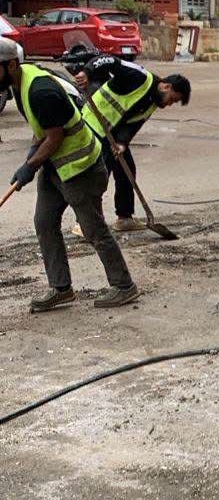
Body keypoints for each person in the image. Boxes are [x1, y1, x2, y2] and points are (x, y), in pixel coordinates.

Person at [1, 37, 138, 312]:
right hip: (55, 167)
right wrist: (32, 157)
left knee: (93, 229)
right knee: (44, 222)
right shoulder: (20, 84)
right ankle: (61, 288)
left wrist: (30, 166)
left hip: (81, 168)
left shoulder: (40, 90)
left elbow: (55, 137)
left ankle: (124, 286)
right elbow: (42, 130)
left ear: (11, 65)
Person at [65, 44, 191, 231]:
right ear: (166, 86)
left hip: (113, 133)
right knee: (100, 174)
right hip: (95, 122)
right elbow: (108, 60)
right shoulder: (139, 76)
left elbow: (133, 125)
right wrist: (87, 71)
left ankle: (124, 217)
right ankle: (84, 223)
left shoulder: (153, 103)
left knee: (126, 170)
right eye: (172, 99)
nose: (169, 104)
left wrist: (122, 143)